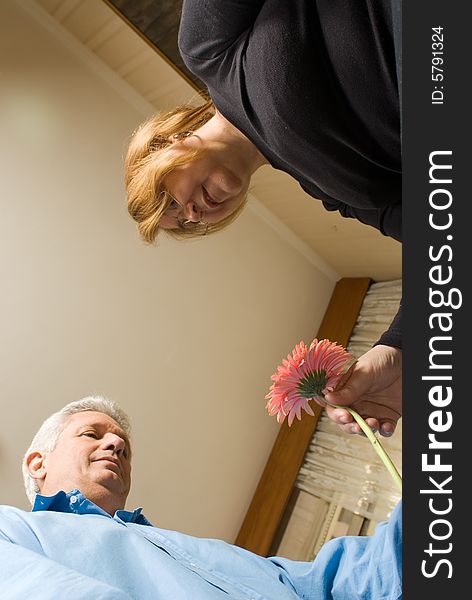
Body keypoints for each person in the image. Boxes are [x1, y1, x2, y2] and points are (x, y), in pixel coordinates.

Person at [124, 1, 402, 437]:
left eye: (170, 201)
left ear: (167, 143)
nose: (192, 214)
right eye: (188, 224)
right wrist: (400, 347)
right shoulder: (329, 192)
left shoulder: (209, 51)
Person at [1, 396, 402, 599]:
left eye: (123, 444)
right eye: (92, 434)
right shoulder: (12, 531)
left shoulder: (207, 553)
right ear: (38, 463)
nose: (116, 446)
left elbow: (337, 583)